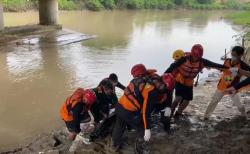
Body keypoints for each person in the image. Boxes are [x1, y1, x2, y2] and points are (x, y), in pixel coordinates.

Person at [111, 64, 175, 153]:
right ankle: (139, 149)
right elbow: (146, 111)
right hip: (128, 111)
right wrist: (147, 128)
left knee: (120, 125)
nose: (162, 88)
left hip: (119, 106)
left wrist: (168, 106)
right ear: (160, 81)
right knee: (142, 128)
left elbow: (167, 92)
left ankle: (115, 144)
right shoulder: (151, 91)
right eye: (161, 86)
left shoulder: (144, 77)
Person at [165, 44, 228, 119]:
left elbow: (214, 64)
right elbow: (172, 66)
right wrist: (164, 76)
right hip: (179, 80)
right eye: (194, 56)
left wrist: (227, 68)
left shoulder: (202, 61)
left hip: (189, 82)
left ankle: (178, 113)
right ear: (191, 54)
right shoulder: (184, 59)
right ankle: (170, 113)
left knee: (187, 100)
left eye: (197, 57)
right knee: (178, 98)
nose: (196, 58)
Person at [204, 46, 250, 120]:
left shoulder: (243, 65)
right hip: (222, 86)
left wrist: (240, 72)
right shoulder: (227, 61)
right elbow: (221, 68)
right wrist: (209, 66)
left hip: (232, 88)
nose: (233, 57)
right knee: (213, 102)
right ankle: (206, 117)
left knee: (239, 105)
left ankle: (244, 116)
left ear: (240, 55)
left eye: (235, 55)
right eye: (232, 54)